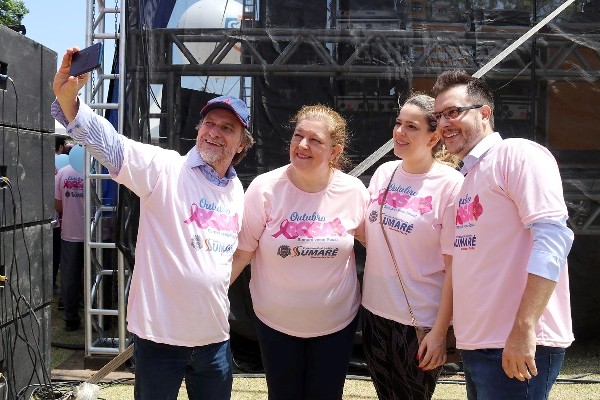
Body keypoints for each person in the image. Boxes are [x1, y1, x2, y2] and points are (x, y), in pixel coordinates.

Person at [51, 47, 254, 400]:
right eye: (209, 123)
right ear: (198, 128)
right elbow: (111, 145)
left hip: (215, 342)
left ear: (241, 144)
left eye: (227, 127)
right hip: (160, 341)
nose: (214, 132)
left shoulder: (237, 190)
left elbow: (231, 254)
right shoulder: (165, 168)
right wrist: (70, 103)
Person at [432, 70, 574, 400]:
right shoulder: (466, 180)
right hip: (479, 346)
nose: (443, 123)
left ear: (484, 112)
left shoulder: (516, 154)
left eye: (453, 112)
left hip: (514, 344)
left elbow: (554, 238)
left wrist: (524, 328)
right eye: (438, 116)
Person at [230, 105, 369, 400]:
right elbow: (241, 254)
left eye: (315, 140)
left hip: (336, 325)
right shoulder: (264, 189)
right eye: (298, 136)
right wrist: (208, 296)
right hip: (275, 324)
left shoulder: (354, 192)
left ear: (335, 151)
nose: (302, 145)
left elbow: (377, 247)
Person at [360, 93, 463, 400]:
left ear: (434, 137)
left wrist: (440, 332)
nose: (400, 132)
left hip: (419, 321)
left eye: (411, 127)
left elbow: (454, 267)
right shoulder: (384, 173)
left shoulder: (450, 184)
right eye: (398, 123)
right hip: (374, 312)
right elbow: (372, 234)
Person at [55, 162, 85, 331]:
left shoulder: (63, 173)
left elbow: (58, 206)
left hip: (69, 231)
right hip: (95, 232)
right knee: (96, 277)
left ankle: (71, 319)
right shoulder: (96, 171)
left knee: (69, 277)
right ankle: (100, 319)